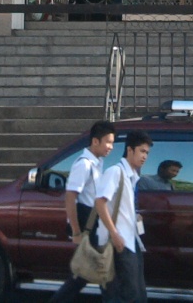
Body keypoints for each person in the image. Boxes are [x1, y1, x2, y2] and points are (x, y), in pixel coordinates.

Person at [50, 120, 116, 303]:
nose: (111, 146)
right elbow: (71, 198)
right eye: (108, 142)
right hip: (87, 225)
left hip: (95, 225)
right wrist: (76, 232)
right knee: (85, 275)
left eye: (112, 142)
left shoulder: (98, 163)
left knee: (92, 274)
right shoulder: (84, 164)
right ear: (95, 141)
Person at [96, 129, 152, 303]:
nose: (145, 157)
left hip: (130, 241)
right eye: (142, 151)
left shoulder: (132, 177)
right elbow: (100, 203)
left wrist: (134, 216)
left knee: (137, 293)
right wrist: (114, 233)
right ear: (130, 150)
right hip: (117, 243)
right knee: (122, 294)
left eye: (147, 153)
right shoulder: (115, 172)